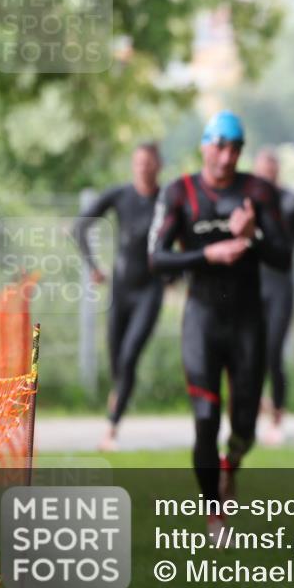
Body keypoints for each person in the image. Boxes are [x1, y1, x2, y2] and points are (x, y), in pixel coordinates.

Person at [148, 111, 291, 541]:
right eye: (219, 147)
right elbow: (156, 258)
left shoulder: (258, 191)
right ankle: (214, 512)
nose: (227, 158)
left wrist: (252, 237)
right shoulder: (179, 192)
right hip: (203, 319)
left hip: (248, 321)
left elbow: (284, 256)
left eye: (235, 149)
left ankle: (232, 463)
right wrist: (207, 255)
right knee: (206, 417)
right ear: (204, 146)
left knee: (244, 426)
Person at [75, 142, 165, 452]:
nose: (143, 168)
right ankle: (120, 393)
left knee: (129, 356)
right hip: (121, 290)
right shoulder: (120, 195)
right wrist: (93, 266)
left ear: (158, 166)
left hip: (150, 291)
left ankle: (111, 430)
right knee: (117, 361)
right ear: (133, 165)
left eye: (149, 163)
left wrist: (177, 272)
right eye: (139, 162)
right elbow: (80, 226)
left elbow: (186, 236)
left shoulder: (168, 199)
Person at [251, 147, 294, 446]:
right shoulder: (247, 201)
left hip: (281, 288)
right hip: (251, 287)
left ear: (277, 171)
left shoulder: (291, 201)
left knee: (273, 353)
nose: (267, 175)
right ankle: (249, 413)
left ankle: (276, 416)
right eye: (262, 170)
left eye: (271, 169)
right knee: (249, 354)